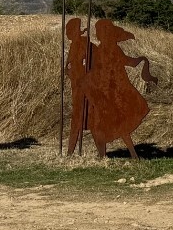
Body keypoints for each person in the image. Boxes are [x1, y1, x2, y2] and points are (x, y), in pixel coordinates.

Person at [83, 19, 157, 159]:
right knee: (111, 123)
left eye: (99, 31)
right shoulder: (105, 49)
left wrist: (142, 60)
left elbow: (119, 64)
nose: (98, 34)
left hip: (111, 92)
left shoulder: (108, 49)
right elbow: (101, 69)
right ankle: (119, 154)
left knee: (105, 123)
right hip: (109, 91)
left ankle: (107, 155)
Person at [63, 17, 92, 154]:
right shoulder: (75, 44)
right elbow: (68, 64)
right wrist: (69, 71)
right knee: (77, 111)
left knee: (78, 113)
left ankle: (71, 149)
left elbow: (86, 60)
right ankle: (71, 149)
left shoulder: (83, 42)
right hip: (75, 80)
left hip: (81, 80)